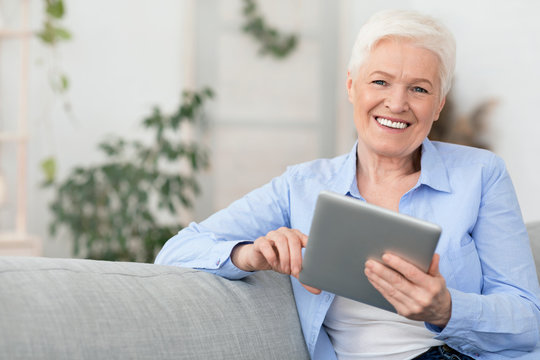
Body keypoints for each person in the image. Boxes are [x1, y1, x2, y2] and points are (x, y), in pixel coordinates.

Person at [155, 9, 540, 360]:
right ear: (352, 87)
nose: (397, 102)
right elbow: (176, 251)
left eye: (419, 89)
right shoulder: (301, 186)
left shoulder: (481, 174)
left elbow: (528, 318)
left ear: (438, 105)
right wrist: (248, 254)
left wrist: (446, 309)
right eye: (380, 82)